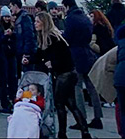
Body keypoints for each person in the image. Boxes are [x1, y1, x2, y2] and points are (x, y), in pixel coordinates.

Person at [31, 11, 90, 139]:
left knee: (60, 104)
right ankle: (84, 132)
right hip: (66, 72)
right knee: (70, 103)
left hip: (65, 73)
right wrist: (29, 59)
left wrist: (52, 64)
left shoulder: (53, 37)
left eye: (37, 21)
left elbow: (62, 57)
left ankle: (62, 134)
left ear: (44, 23)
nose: (35, 24)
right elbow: (40, 55)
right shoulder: (45, 37)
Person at [61, 0, 103, 130]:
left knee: (76, 87)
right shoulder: (85, 18)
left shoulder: (70, 19)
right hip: (88, 54)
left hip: (75, 55)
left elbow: (67, 38)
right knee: (92, 87)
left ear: (67, 6)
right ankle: (98, 117)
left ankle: (81, 118)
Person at [10, 0, 36, 73]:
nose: (10, 9)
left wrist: (26, 53)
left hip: (24, 52)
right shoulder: (19, 18)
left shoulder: (24, 18)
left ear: (15, 6)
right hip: (21, 51)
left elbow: (28, 36)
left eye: (11, 6)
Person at [0, 6, 18, 98]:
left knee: (13, 76)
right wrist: (6, 36)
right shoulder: (0, 27)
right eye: (5, 17)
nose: (7, 18)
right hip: (4, 54)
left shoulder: (13, 27)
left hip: (12, 54)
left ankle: (13, 95)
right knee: (6, 76)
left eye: (8, 16)